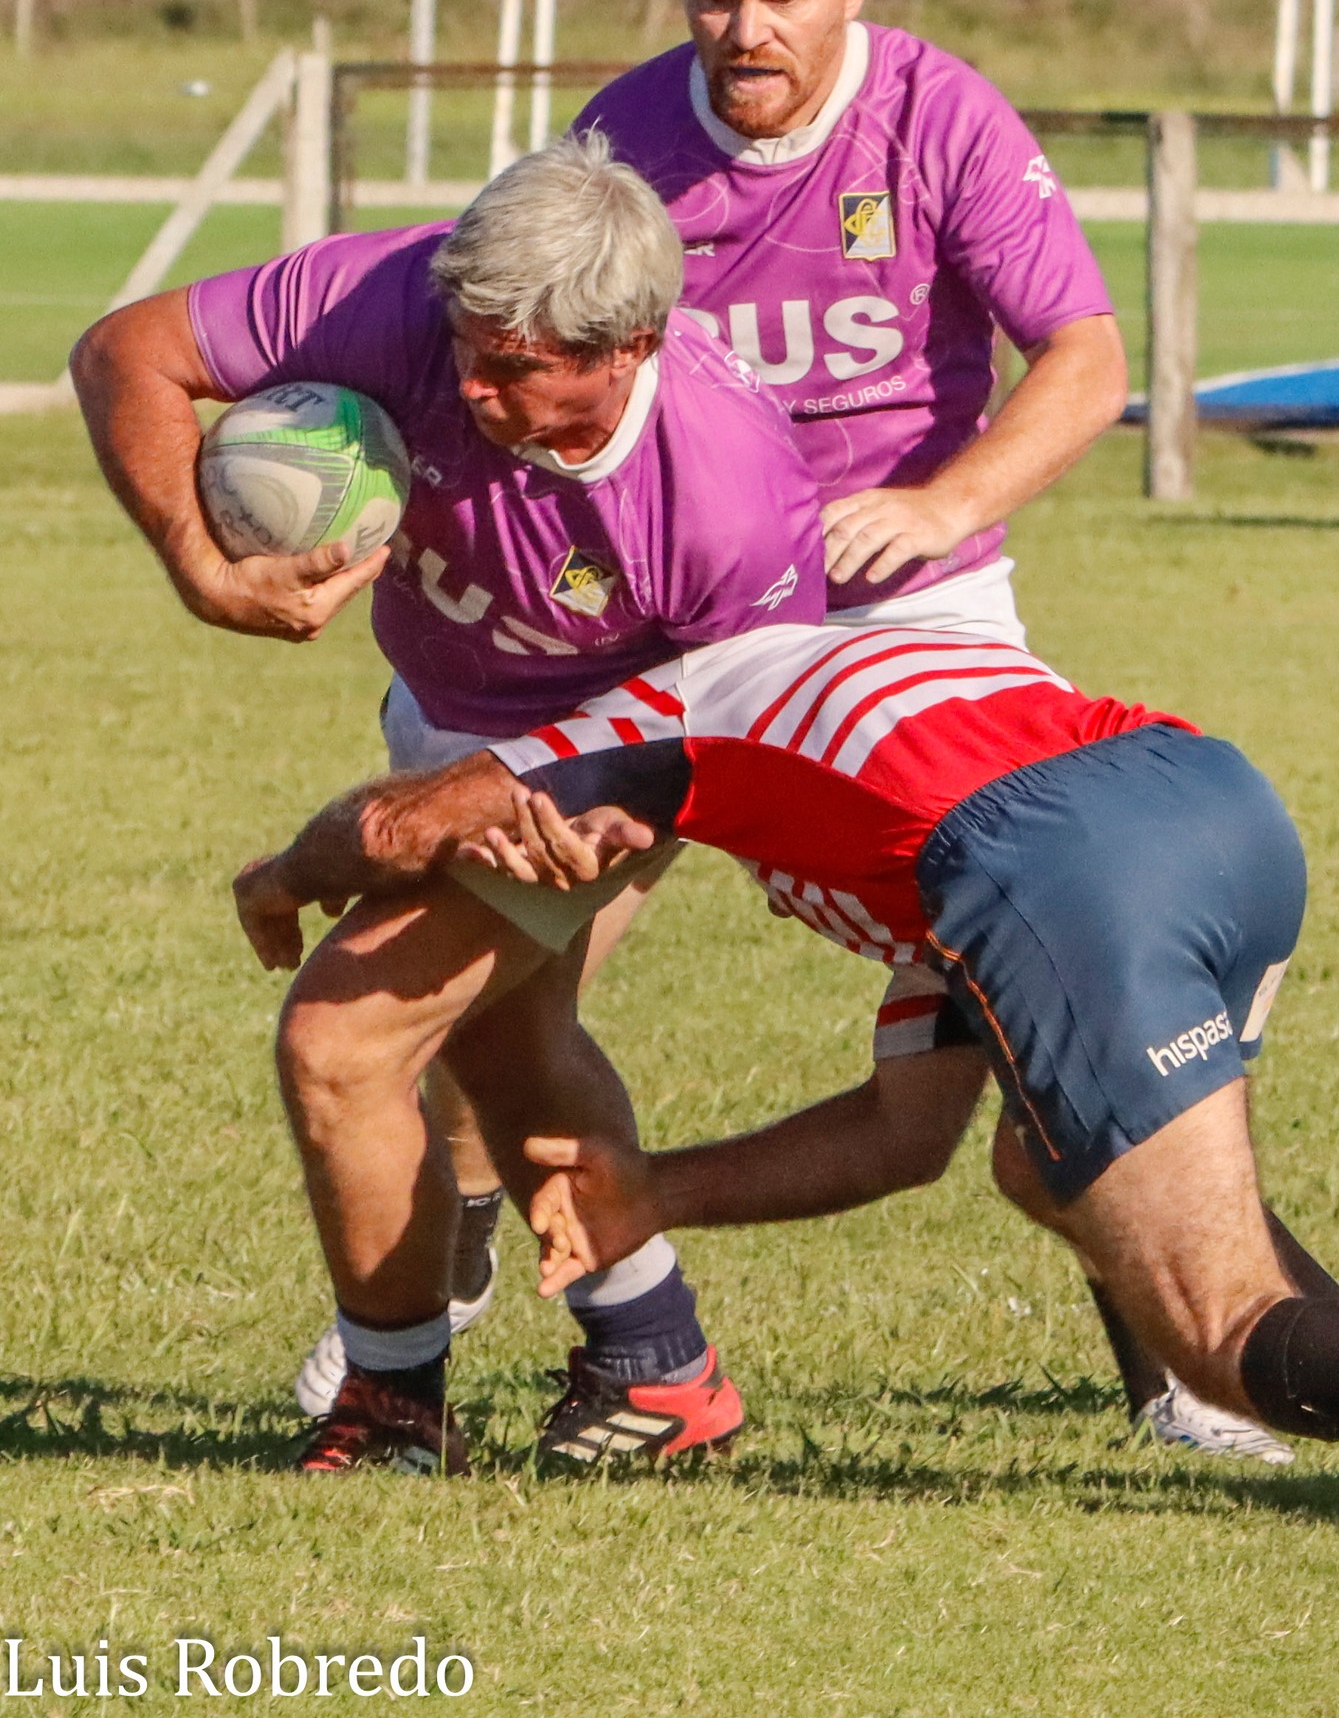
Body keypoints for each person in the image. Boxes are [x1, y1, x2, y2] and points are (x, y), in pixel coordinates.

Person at [236, 621, 1339, 1539]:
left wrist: (287, 874)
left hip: (1053, 858)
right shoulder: (883, 730)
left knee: (1214, 1324)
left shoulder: (667, 712)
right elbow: (905, 1136)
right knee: (1050, 1166)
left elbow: (407, 816)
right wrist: (647, 1195)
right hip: (1214, 802)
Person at [569, 0, 1270, 1456]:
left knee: (1030, 1012)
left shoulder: (938, 116)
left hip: (916, 617)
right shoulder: (616, 142)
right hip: (690, 622)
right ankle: (433, 1310)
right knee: (526, 936)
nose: (746, 29)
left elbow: (1085, 360)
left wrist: (946, 505)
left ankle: (1184, 1364)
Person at [70, 133, 826, 1467]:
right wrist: (199, 562)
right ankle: (658, 1370)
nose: (463, 385)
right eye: (463, 344)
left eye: (513, 367)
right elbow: (124, 350)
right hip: (439, 714)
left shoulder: (731, 493)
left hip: (617, 748)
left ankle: (393, 1407)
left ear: (629, 344)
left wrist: (578, 803)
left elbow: (753, 712)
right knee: (509, 1042)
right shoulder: (398, 296)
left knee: (343, 1035)